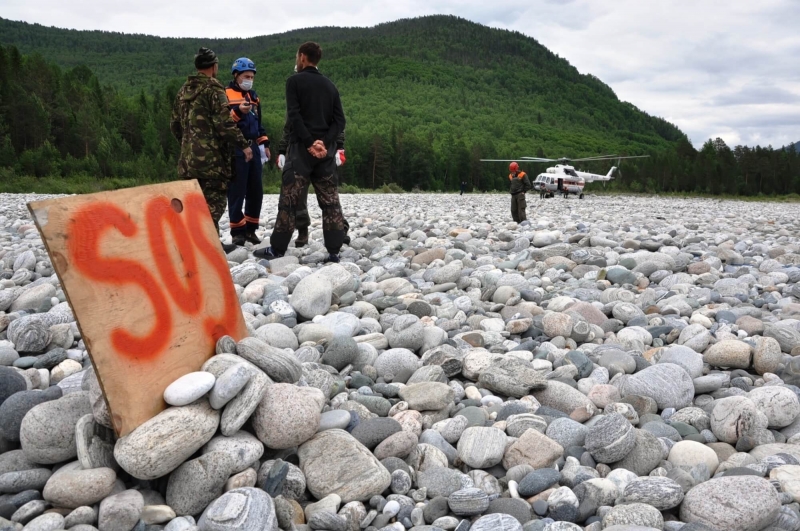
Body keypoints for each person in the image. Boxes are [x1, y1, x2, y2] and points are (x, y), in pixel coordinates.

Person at [256, 42, 346, 262]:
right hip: (325, 154)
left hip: (300, 152)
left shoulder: (294, 82)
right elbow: (339, 121)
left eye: (297, 56)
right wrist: (323, 143)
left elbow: (294, 116)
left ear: (303, 57)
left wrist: (308, 143)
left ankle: (277, 249)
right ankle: (334, 251)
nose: (297, 59)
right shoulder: (330, 85)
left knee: (289, 199)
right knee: (330, 201)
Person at [170, 48, 253, 243]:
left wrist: (188, 144)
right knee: (212, 208)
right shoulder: (213, 89)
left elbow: (174, 125)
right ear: (214, 66)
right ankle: (207, 251)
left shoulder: (183, 91)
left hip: (187, 163)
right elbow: (224, 124)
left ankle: (203, 247)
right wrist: (243, 145)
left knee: (192, 207)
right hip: (212, 162)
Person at [276, 118, 350, 247]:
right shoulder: (297, 100)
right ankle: (302, 230)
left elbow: (338, 121)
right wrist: (282, 150)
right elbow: (290, 124)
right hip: (298, 151)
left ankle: (339, 229)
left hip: (325, 150)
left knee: (329, 193)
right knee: (297, 194)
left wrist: (340, 147)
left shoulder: (328, 97)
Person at [226, 57, 270, 247]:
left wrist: (265, 144)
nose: (249, 79)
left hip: (253, 146)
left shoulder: (254, 96)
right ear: (236, 76)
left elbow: (258, 123)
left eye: (251, 76)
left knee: (256, 190)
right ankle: (237, 231)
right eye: (246, 76)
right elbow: (224, 123)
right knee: (237, 190)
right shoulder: (226, 94)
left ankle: (251, 229)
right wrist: (238, 112)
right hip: (236, 147)